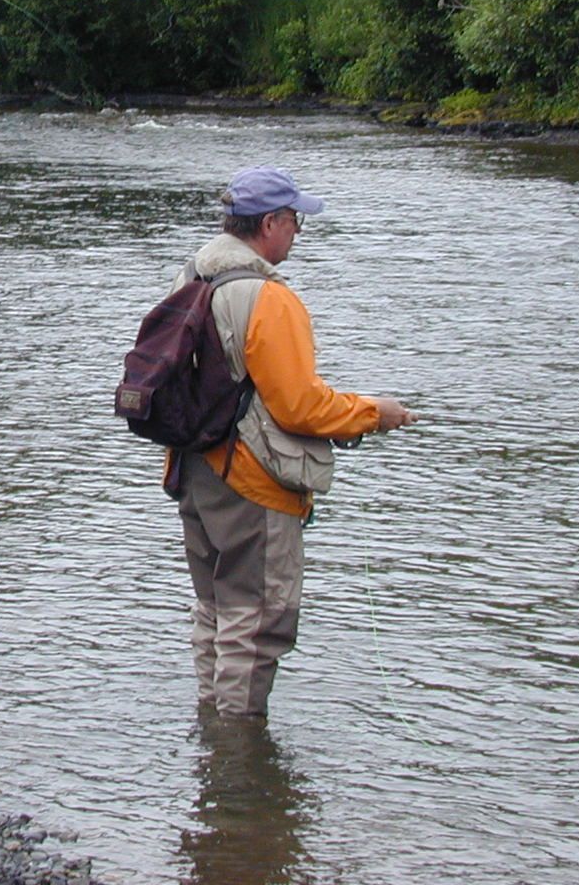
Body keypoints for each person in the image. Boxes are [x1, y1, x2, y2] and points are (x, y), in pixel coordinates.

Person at [166, 165, 416, 718]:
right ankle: (238, 751)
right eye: (295, 221)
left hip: (191, 470)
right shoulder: (270, 299)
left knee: (215, 611)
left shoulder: (190, 276)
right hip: (250, 482)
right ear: (270, 223)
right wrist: (375, 414)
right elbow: (300, 407)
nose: (298, 232)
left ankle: (211, 732)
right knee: (256, 622)